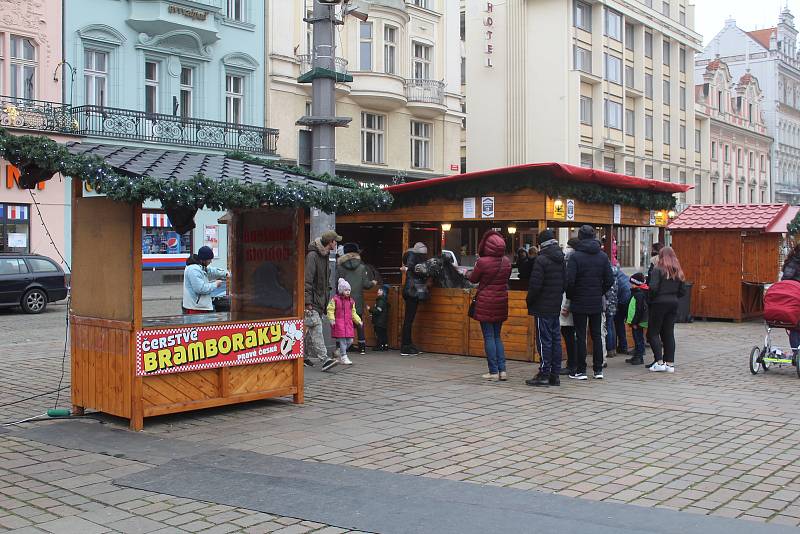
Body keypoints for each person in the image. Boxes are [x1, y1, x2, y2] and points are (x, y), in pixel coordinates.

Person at [566, 225, 614, 380]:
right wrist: (599, 292)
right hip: (595, 301)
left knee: (580, 335)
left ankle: (581, 370)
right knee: (597, 335)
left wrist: (572, 295)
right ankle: (598, 369)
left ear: (580, 237)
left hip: (579, 301)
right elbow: (609, 279)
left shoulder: (575, 256)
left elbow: (569, 281)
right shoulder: (602, 256)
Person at [468, 230, 512, 381]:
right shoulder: (506, 261)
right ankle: (503, 371)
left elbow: (473, 279)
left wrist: (467, 272)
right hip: (501, 301)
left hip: (486, 302)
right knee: (497, 336)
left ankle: (493, 372)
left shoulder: (482, 262)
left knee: (489, 337)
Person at [525, 230, 565, 387]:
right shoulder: (561, 258)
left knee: (543, 341)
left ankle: (544, 374)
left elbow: (535, 286)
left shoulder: (541, 259)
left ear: (541, 244)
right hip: (555, 304)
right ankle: (555, 374)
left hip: (542, 306)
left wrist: (529, 301)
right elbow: (565, 282)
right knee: (555, 340)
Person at [305, 229, 342, 371]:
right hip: (312, 301)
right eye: (335, 241)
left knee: (308, 331)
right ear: (330, 243)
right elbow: (307, 280)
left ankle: (302, 357)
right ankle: (324, 359)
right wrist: (308, 302)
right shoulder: (313, 256)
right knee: (316, 328)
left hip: (319, 301)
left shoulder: (324, 256)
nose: (337, 244)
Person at [648, 246, 685, 373]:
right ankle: (670, 364)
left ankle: (659, 362)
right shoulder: (678, 271)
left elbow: (652, 288)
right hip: (673, 303)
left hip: (659, 303)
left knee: (653, 332)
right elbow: (683, 291)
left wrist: (651, 300)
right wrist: (673, 296)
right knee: (669, 333)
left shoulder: (657, 270)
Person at [337, 242, 377, 355]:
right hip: (357, 300)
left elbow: (336, 283)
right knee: (359, 323)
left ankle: (344, 347)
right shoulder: (361, 267)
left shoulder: (340, 267)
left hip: (343, 300)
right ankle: (362, 347)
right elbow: (366, 285)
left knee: (344, 323)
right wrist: (373, 282)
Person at [401, 242, 431, 356]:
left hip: (411, 291)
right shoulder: (414, 257)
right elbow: (416, 271)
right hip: (412, 292)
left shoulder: (411, 256)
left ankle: (408, 344)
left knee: (409, 320)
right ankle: (405, 346)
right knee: (408, 320)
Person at [327, 278, 363, 366]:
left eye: (349, 290)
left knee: (350, 341)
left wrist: (358, 321)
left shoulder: (351, 301)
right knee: (343, 341)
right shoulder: (335, 300)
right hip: (339, 323)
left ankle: (339, 352)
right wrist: (332, 319)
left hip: (348, 324)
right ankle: (344, 356)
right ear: (341, 290)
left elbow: (353, 313)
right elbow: (330, 310)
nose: (348, 292)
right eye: (346, 290)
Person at [182, 246, 228, 314]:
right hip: (195, 308)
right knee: (198, 325)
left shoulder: (200, 267)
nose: (211, 261)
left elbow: (212, 271)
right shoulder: (194, 269)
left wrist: (226, 273)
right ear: (204, 259)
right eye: (209, 260)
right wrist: (215, 284)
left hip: (199, 306)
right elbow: (200, 289)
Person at [560, 238, 579, 376]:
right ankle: (574, 363)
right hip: (578, 303)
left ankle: (572, 364)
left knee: (569, 335)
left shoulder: (571, 261)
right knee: (573, 336)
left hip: (569, 304)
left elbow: (569, 285)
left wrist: (567, 305)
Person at [625, 273, 649, 365]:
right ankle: (637, 355)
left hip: (637, 321)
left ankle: (639, 357)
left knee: (638, 338)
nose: (631, 285)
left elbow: (638, 310)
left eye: (632, 283)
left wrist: (635, 322)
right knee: (637, 338)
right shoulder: (637, 292)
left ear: (636, 283)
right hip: (636, 321)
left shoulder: (638, 294)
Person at [614, 264, 632, 355]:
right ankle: (623, 346)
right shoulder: (621, 274)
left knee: (618, 322)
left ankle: (622, 346)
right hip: (629, 298)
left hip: (623, 299)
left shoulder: (613, 275)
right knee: (629, 323)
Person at [603, 265, 620, 360]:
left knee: (607, 327)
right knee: (612, 326)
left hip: (607, 304)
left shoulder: (606, 278)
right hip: (614, 304)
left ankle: (609, 349)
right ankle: (613, 349)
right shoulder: (615, 277)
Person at [370, 284, 390, 351]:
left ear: (384, 292)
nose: (378, 290)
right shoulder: (384, 300)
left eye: (381, 290)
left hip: (379, 321)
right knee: (383, 333)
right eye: (379, 289)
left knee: (379, 333)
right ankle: (385, 345)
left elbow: (378, 311)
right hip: (383, 321)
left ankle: (380, 345)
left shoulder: (381, 300)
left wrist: (370, 309)